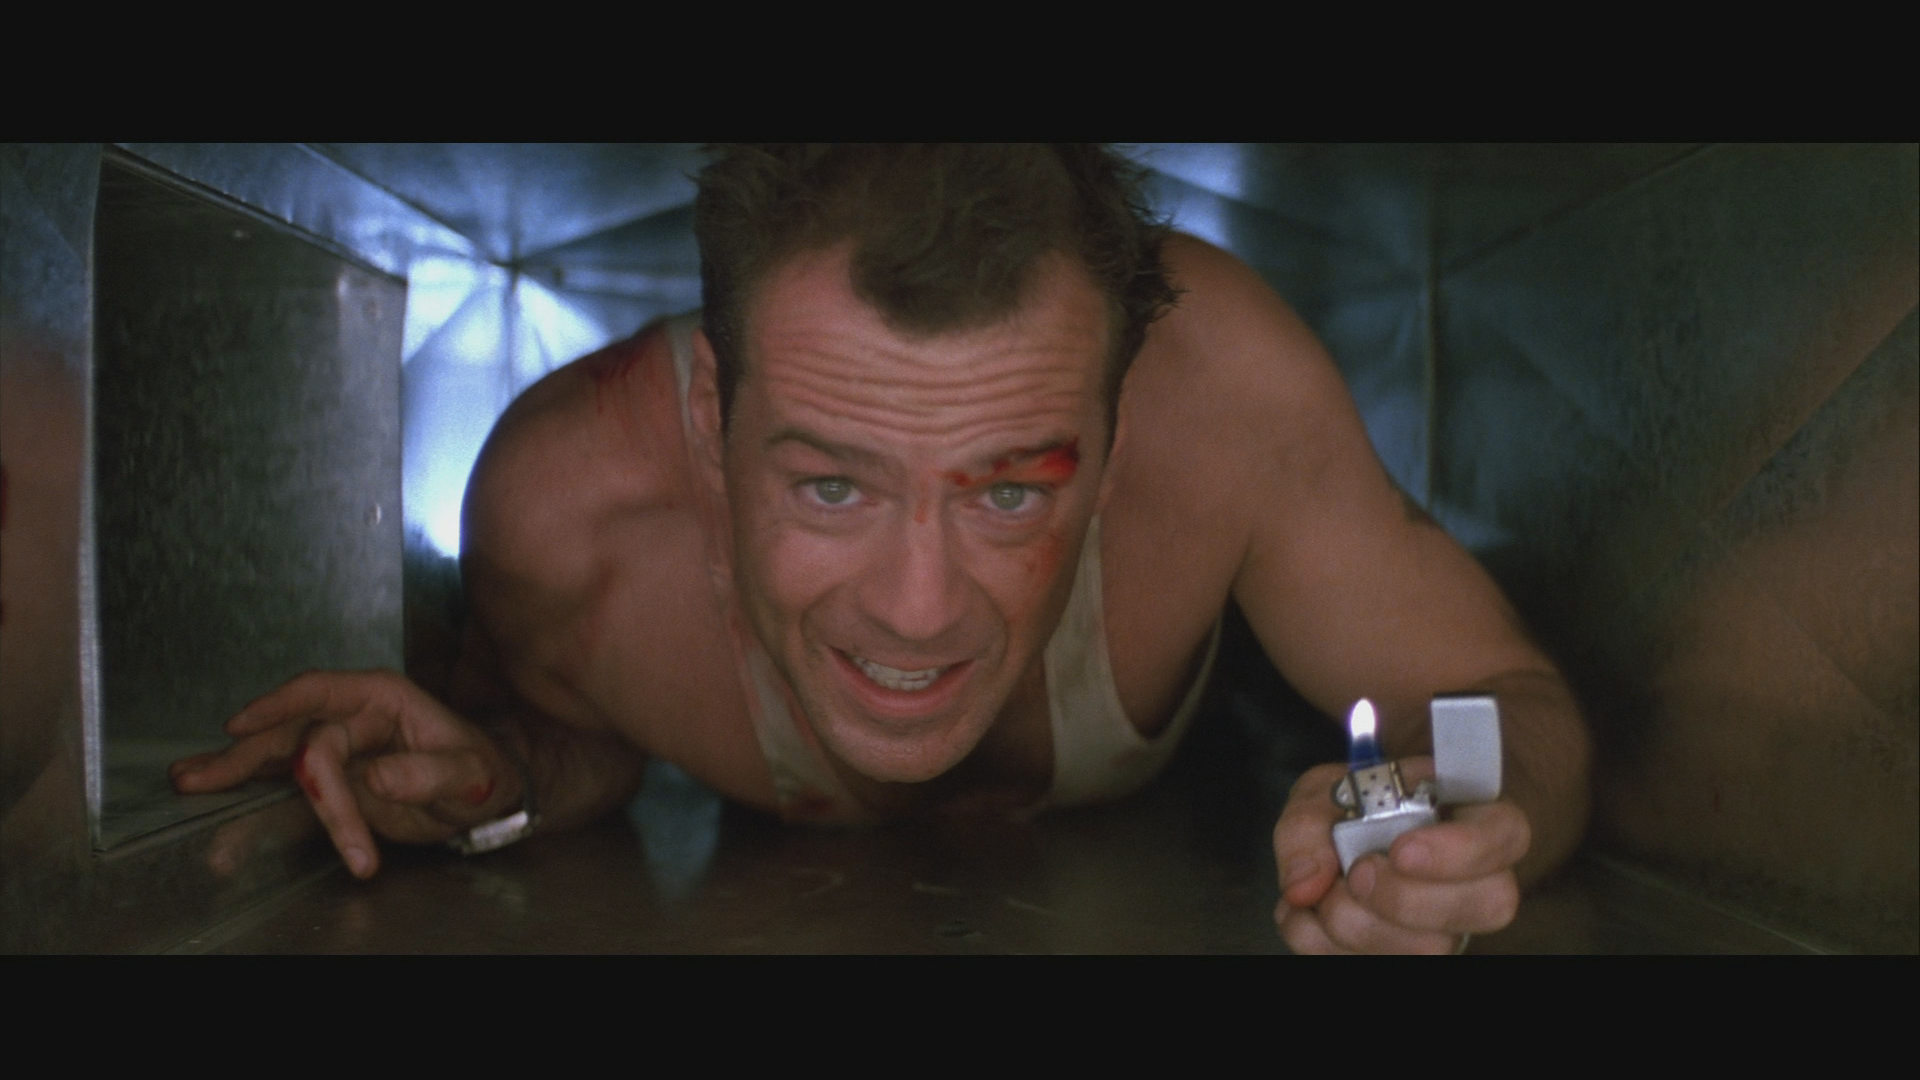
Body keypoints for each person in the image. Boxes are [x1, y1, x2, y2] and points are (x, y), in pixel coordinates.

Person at [172, 145, 1590, 954]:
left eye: (1011, 494)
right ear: (712, 419)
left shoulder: (1225, 398)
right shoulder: (566, 511)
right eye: (832, 488)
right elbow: (589, 737)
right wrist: (503, 776)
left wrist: (1450, 820)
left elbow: (1507, 702)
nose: (918, 611)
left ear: (1116, 433)